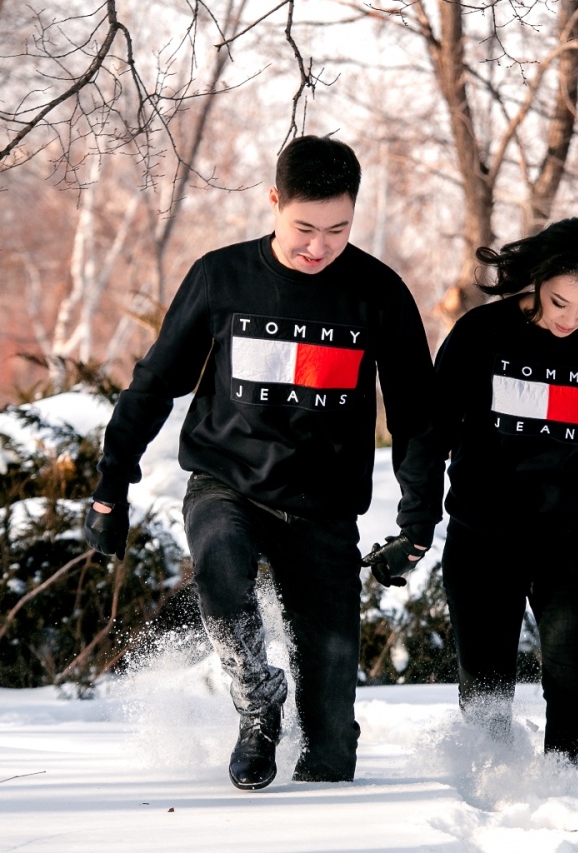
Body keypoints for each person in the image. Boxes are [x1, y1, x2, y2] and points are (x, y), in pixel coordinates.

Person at [82, 136, 441, 791]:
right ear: (275, 201)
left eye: (337, 229)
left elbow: (416, 416)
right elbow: (154, 383)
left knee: (331, 748)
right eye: (304, 228)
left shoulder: (378, 293)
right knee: (220, 563)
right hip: (228, 481)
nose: (318, 246)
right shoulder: (222, 277)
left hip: (324, 506)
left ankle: (324, 800)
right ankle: (256, 701)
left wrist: (417, 525)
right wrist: (111, 485)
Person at [372, 216, 578, 769]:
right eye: (560, 302)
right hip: (483, 535)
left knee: (572, 678)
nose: (571, 320)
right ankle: (489, 787)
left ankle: (569, 793)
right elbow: (429, 435)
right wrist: (415, 526)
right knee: (486, 684)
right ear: (538, 279)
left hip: (573, 538)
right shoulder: (483, 334)